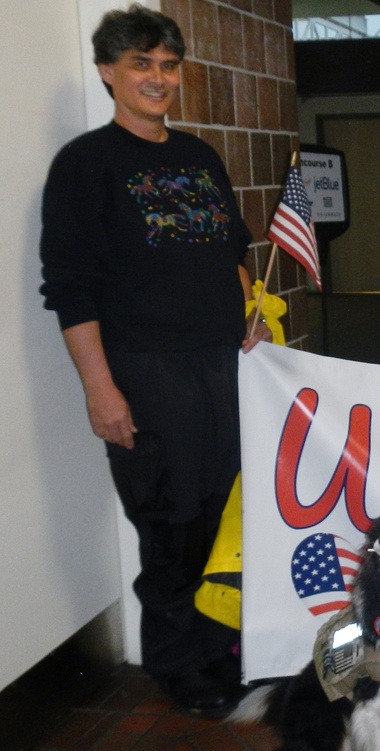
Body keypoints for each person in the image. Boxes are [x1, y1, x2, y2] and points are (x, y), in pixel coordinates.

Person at [39, 5, 270, 715]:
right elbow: (70, 289)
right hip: (145, 371)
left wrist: (249, 317)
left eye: (168, 65)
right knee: (170, 523)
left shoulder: (198, 156)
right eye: (142, 64)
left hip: (221, 368)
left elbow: (232, 250)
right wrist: (99, 389)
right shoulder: (85, 165)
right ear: (108, 72)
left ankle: (223, 646)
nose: (158, 78)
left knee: (227, 515)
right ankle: (179, 666)